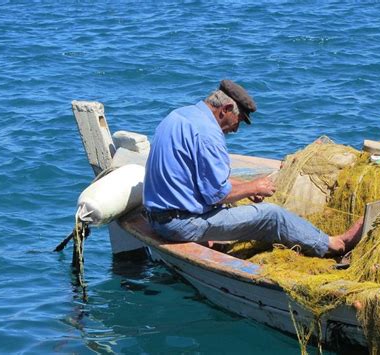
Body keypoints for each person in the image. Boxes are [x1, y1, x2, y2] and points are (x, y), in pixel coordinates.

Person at [143, 80, 363, 257]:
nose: (237, 129)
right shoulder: (209, 134)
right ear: (226, 109)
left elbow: (202, 180)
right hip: (179, 225)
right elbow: (216, 194)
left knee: (246, 205)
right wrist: (252, 187)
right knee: (271, 215)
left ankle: (213, 240)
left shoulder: (181, 115)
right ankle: (333, 244)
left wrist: (248, 188)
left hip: (157, 216)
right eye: (239, 119)